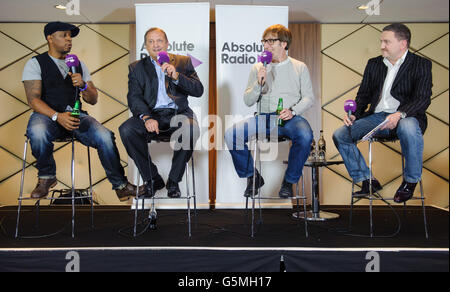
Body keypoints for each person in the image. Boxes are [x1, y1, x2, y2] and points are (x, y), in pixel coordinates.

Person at [22, 21, 143, 202]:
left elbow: (92, 99)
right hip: (47, 117)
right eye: (64, 35)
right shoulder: (35, 63)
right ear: (50, 38)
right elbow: (33, 100)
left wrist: (84, 85)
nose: (69, 39)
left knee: (104, 136)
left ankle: (121, 186)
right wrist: (57, 116)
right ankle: (46, 177)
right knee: (37, 131)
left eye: (70, 36)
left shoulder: (78, 64)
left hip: (76, 116)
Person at [332, 23, 432, 203]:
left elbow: (422, 99)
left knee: (408, 127)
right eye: (381, 41)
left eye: (387, 42)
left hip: (406, 116)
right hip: (377, 117)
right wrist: (355, 113)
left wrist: (399, 114)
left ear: (403, 44)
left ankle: (410, 182)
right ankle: (368, 180)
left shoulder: (421, 64)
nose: (382, 46)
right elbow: (363, 95)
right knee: (341, 134)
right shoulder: (374, 64)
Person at [224, 24, 315, 198]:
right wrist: (259, 83)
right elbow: (248, 100)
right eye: (264, 41)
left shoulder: (299, 67)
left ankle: (289, 181)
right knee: (231, 134)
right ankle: (252, 176)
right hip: (263, 118)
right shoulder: (258, 68)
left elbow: (309, 98)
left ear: (284, 44)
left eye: (271, 41)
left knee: (305, 135)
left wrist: (293, 111)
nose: (266, 45)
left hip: (290, 118)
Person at [119, 27, 203, 198]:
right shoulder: (136, 68)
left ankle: (173, 180)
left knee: (191, 128)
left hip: (177, 114)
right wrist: (147, 117)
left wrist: (177, 76)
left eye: (159, 41)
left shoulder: (183, 62)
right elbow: (134, 98)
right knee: (127, 130)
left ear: (167, 43)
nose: (155, 45)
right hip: (152, 115)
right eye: (150, 41)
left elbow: (198, 90)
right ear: (145, 46)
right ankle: (152, 179)